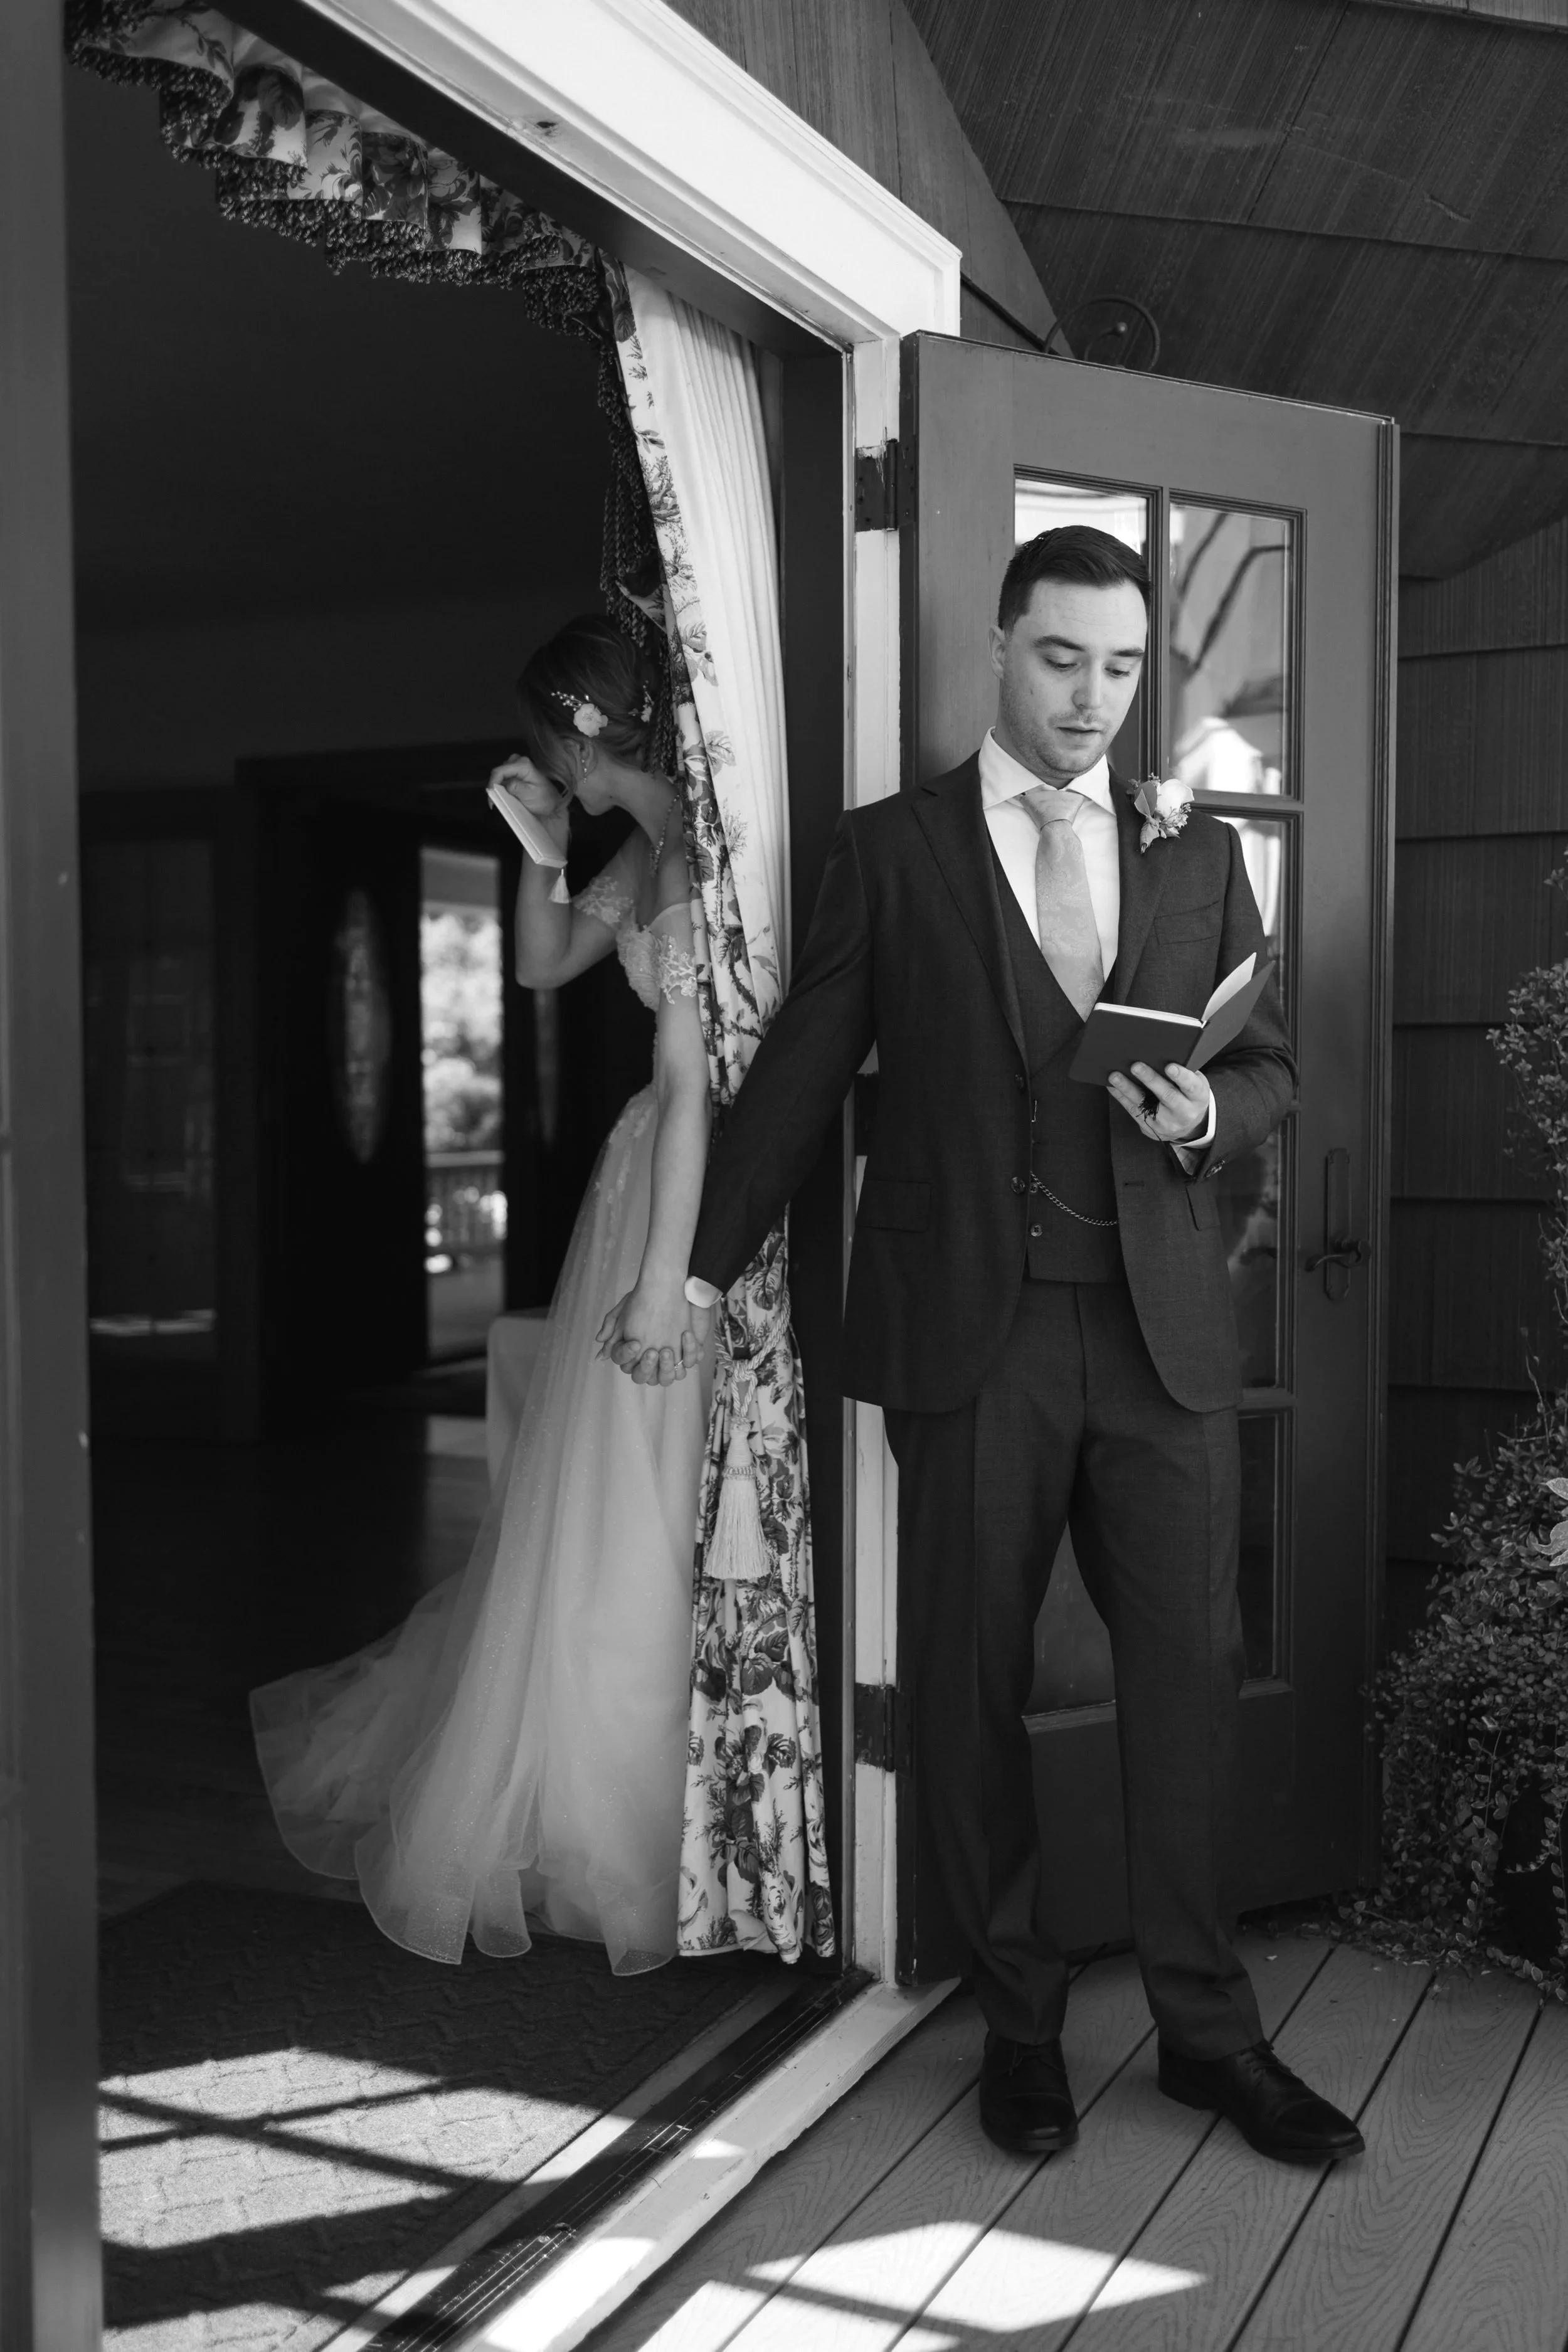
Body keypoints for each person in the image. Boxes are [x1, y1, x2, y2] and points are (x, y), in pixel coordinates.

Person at [641, 526, 1364, 2161]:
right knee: (968, 1699)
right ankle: (1017, 2021)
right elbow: (804, 1078)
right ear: (996, 644)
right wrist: (691, 1278)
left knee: (1183, 1691)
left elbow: (1275, 1068)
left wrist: (1206, 1107)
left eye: (1119, 667)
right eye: (1060, 659)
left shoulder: (1197, 849)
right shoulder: (889, 850)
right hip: (977, 1343)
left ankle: (1205, 2031)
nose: (1091, 698)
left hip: (1165, 1342)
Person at [252, 616, 715, 1973]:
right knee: (608, 1496)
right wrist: (538, 848)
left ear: (575, 726)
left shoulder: (707, 849)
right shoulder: (648, 843)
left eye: (539, 739)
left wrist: (660, 1280)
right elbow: (540, 966)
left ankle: (658, 1813)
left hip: (686, 1190)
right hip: (647, 1173)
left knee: (655, 1487)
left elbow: (692, 1079)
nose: (533, 759)